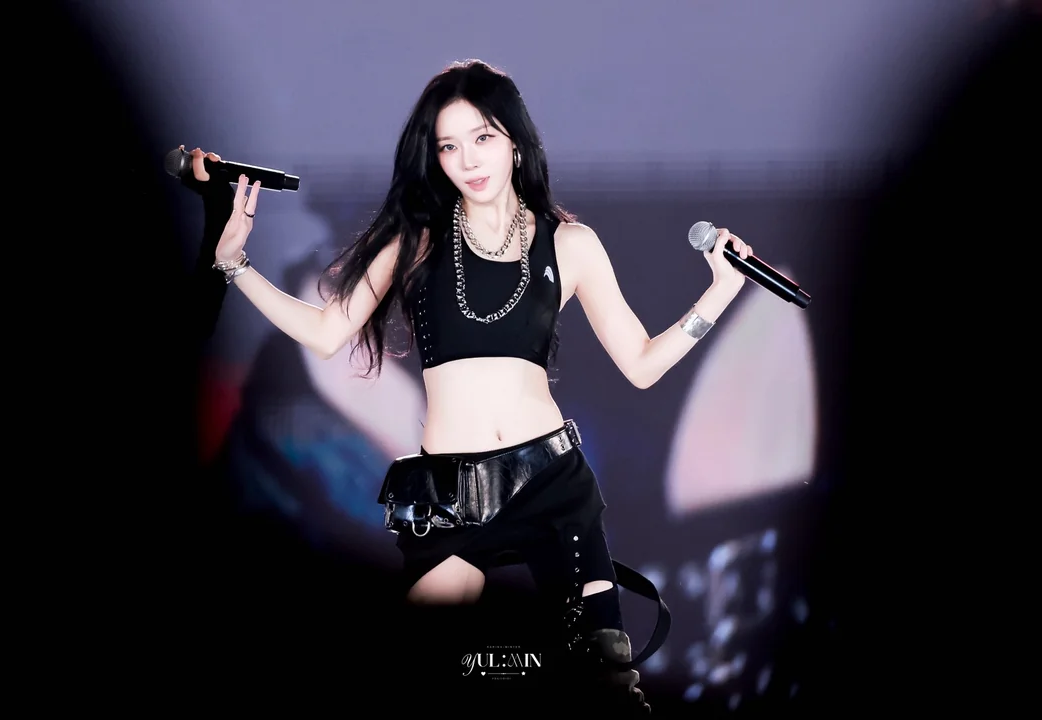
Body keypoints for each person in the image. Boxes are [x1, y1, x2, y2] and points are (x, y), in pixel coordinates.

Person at [190, 59, 754, 713]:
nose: (468, 160)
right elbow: (324, 332)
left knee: (605, 683)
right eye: (449, 146)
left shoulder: (570, 244)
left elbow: (642, 364)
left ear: (515, 140)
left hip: (552, 487)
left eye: (483, 137)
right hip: (451, 501)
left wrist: (720, 294)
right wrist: (234, 264)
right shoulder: (416, 241)